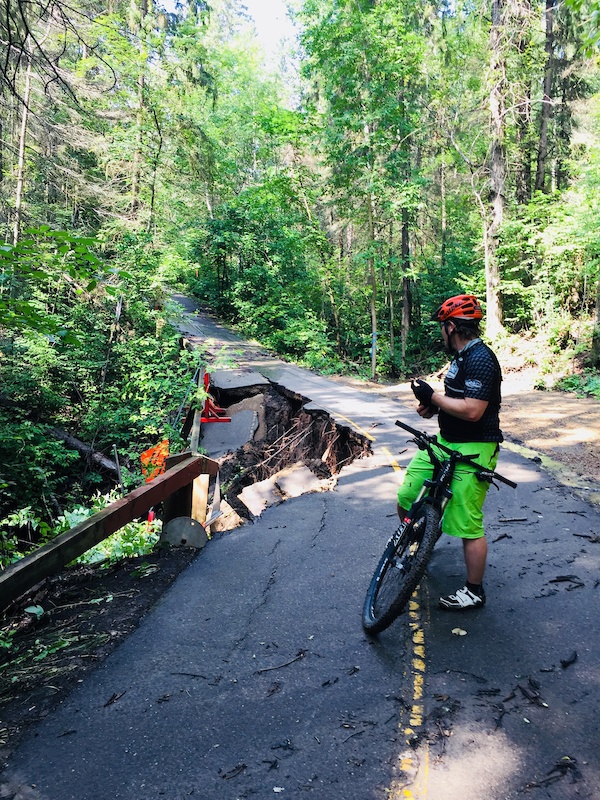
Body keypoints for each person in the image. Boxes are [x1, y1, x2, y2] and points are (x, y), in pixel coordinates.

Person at [396, 294, 503, 611]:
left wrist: (435, 398)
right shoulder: (459, 357)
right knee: (407, 493)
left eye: (443, 326)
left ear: (453, 326)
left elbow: (473, 411)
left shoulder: (482, 359)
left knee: (465, 522)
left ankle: (474, 591)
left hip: (475, 447)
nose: (440, 332)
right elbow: (456, 398)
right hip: (445, 440)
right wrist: (432, 406)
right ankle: (420, 543)